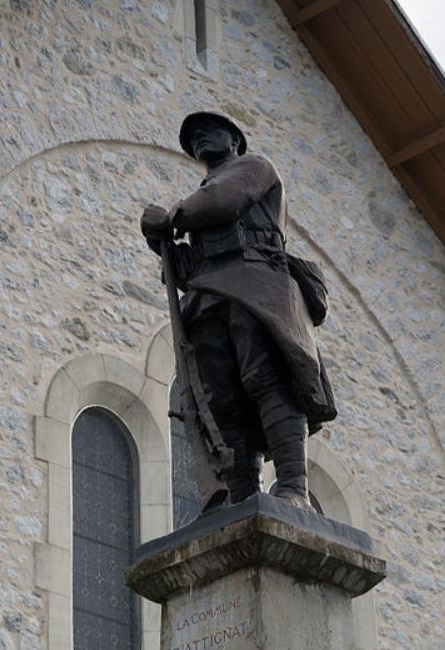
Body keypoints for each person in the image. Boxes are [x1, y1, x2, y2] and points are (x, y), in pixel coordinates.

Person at [140, 112, 336, 512]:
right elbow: (191, 268)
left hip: (256, 287)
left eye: (208, 131)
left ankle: (293, 487)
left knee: (268, 380)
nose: (199, 139)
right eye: (193, 137)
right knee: (223, 400)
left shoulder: (252, 168)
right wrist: (159, 243)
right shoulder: (200, 203)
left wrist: (171, 218)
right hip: (210, 297)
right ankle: (241, 495)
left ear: (233, 140)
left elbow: (224, 203)